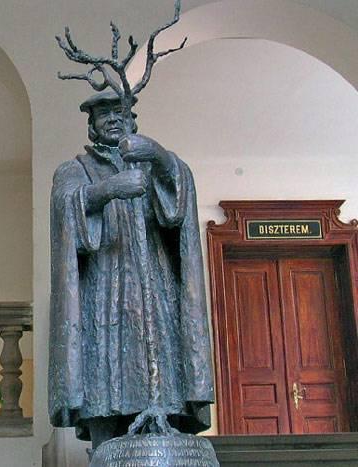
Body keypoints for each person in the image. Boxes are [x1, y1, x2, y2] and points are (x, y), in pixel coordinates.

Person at [48, 90, 214, 449]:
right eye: (103, 114)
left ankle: (165, 433)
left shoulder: (152, 164)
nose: (112, 119)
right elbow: (66, 207)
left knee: (162, 374)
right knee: (105, 384)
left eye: (119, 112)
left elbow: (179, 203)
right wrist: (107, 189)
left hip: (155, 287)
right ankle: (105, 445)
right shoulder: (75, 169)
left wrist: (159, 155)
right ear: (92, 125)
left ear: (132, 120)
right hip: (103, 290)